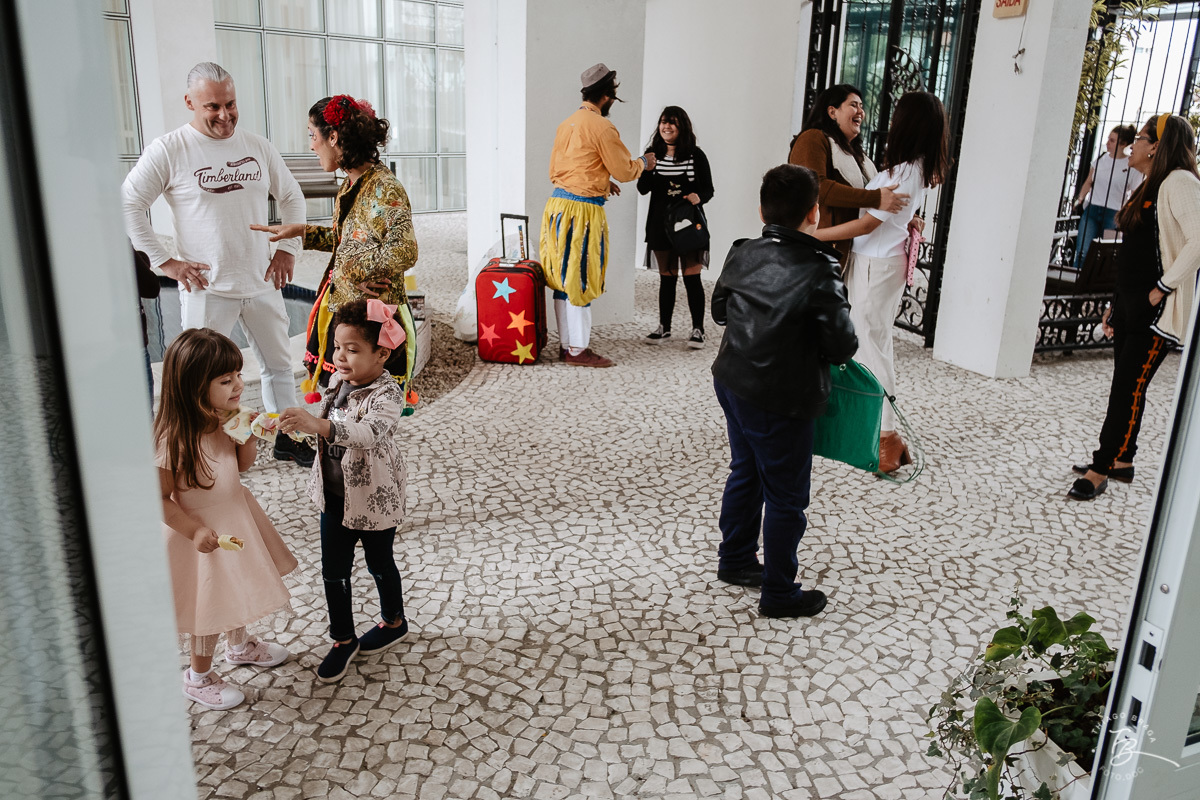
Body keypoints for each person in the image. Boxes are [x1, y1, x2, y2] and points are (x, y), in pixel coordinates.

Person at [122, 62, 313, 467]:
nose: (225, 115)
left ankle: (288, 437)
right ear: (190, 102)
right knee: (200, 378)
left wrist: (287, 249)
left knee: (279, 366)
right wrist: (166, 263)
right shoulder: (169, 149)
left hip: (261, 280)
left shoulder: (258, 146)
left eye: (231, 104)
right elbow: (129, 203)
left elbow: (292, 197)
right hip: (206, 289)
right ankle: (203, 450)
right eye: (213, 106)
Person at [711, 164, 858, 619]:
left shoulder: (743, 251)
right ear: (814, 213)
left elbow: (719, 311)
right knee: (786, 497)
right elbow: (842, 345)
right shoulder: (820, 269)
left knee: (746, 470)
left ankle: (736, 559)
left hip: (732, 379)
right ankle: (779, 593)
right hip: (781, 397)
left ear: (762, 211)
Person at [155, 328, 298, 711]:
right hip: (202, 535)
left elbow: (241, 466)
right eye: (225, 380)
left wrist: (247, 436)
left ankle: (239, 646)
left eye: (237, 374)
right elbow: (159, 500)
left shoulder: (225, 417)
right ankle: (197, 677)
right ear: (193, 388)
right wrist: (193, 530)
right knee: (210, 605)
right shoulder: (173, 438)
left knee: (234, 588)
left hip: (236, 517)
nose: (238, 384)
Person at [814, 91, 951, 474]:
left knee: (870, 346)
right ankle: (886, 435)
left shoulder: (906, 172)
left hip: (876, 265)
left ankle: (888, 437)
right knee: (876, 343)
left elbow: (867, 225)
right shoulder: (912, 168)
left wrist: (812, 235)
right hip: (878, 261)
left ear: (908, 123)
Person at [278, 299, 411, 683]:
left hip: (373, 499)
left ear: (381, 353)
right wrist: (294, 426)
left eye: (352, 349)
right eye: (337, 347)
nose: (340, 357)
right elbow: (325, 425)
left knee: (379, 563)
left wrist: (317, 426)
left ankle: (394, 621)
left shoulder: (388, 395)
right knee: (333, 571)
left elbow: (367, 434)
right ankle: (343, 639)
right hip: (334, 498)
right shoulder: (338, 382)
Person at [251, 95, 418, 398]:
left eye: (312, 135)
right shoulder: (352, 183)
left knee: (365, 412)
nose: (311, 145)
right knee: (342, 410)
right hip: (351, 323)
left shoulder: (384, 188)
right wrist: (302, 232)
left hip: (371, 330)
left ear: (333, 137)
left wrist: (355, 271)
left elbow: (404, 251)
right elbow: (348, 243)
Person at [1069, 114, 1200, 500]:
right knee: (1129, 385)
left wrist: (1161, 290)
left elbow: (1197, 241)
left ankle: (1100, 468)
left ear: (1157, 146)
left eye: (1139, 138)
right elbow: (1134, 252)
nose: (1131, 146)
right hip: (1131, 305)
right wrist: (1115, 306)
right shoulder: (1151, 184)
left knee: (1126, 388)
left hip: (1155, 309)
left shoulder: (1180, 182)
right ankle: (1123, 460)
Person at [540, 63, 656, 368]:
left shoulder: (567, 123)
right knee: (581, 275)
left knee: (562, 277)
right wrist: (644, 162)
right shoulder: (602, 126)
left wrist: (603, 182)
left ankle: (567, 345)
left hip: (557, 207)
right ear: (607, 96)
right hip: (582, 211)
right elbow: (625, 169)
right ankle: (578, 351)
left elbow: (567, 169)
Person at [788, 84, 910, 261]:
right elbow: (817, 187)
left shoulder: (858, 155)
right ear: (832, 112)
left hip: (843, 253)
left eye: (861, 106)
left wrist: (905, 214)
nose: (861, 111)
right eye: (853, 105)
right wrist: (875, 198)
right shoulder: (812, 138)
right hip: (812, 252)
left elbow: (876, 195)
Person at [637, 106, 715, 349]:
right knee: (666, 278)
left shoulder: (695, 155)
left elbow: (708, 189)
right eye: (663, 122)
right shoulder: (652, 155)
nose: (666, 126)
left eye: (672, 122)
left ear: (682, 127)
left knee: (692, 278)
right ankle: (664, 328)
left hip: (688, 225)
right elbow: (642, 188)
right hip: (659, 225)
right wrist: (647, 167)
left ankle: (698, 330)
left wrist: (698, 197)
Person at [1073, 124, 1143, 267]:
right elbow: (1089, 181)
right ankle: (1075, 279)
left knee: (1106, 257)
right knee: (1082, 253)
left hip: (1114, 214)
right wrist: (1079, 199)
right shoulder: (1101, 159)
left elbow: (1135, 194)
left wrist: (1127, 214)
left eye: (1112, 140)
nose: (1107, 143)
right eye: (1108, 139)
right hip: (1092, 211)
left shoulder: (1131, 166)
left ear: (1123, 144)